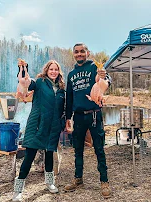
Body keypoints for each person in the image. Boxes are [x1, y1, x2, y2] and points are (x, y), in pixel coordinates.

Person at [64, 43, 112, 198]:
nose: (79, 54)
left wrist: (105, 76)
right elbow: (69, 98)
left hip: (94, 115)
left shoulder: (94, 68)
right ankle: (78, 179)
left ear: (87, 52)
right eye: (76, 52)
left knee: (99, 148)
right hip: (78, 116)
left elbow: (106, 80)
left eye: (82, 51)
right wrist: (67, 117)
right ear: (74, 54)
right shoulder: (71, 74)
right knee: (78, 149)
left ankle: (104, 181)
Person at [13, 60, 66, 202]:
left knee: (49, 155)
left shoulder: (61, 88)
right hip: (37, 124)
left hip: (53, 127)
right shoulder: (40, 82)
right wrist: (23, 69)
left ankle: (49, 182)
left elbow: (64, 107)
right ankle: (18, 191)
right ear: (46, 70)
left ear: (59, 72)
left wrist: (62, 121)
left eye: (56, 69)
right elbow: (26, 81)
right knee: (29, 157)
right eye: (51, 69)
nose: (53, 72)